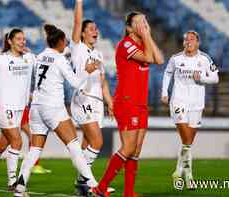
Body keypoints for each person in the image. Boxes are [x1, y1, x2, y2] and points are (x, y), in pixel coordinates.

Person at [13, 24, 99, 197]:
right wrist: (87, 70)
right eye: (65, 41)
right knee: (74, 145)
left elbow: (63, 52)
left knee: (35, 149)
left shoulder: (40, 56)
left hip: (36, 108)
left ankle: (20, 185)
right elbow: (75, 82)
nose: (66, 44)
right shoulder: (59, 60)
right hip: (53, 107)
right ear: (59, 42)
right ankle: (93, 185)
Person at [91, 12, 164, 197]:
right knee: (128, 147)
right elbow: (148, 58)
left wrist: (148, 35)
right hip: (126, 101)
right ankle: (101, 188)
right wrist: (146, 35)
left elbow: (160, 59)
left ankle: (129, 193)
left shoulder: (142, 42)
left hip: (140, 103)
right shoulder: (126, 45)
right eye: (139, 22)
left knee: (136, 150)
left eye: (145, 21)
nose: (143, 25)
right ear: (129, 28)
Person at [161, 30, 219, 189]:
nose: (188, 42)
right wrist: (164, 92)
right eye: (186, 39)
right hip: (178, 101)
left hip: (196, 104)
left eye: (191, 39)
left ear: (198, 42)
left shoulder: (205, 59)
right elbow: (167, 74)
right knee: (186, 138)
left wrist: (202, 78)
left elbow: (215, 77)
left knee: (187, 143)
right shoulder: (176, 59)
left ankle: (182, 171)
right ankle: (188, 175)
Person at [70, 1, 114, 195]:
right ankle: (88, 181)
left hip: (96, 102)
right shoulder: (78, 48)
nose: (95, 31)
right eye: (91, 28)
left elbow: (103, 81)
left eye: (96, 28)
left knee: (88, 143)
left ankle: (82, 184)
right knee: (98, 142)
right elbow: (77, 20)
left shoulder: (98, 54)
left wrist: (109, 102)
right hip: (83, 99)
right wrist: (79, 2)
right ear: (82, 33)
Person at [0, 28, 35, 191]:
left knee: (3, 143)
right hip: (4, 107)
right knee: (17, 141)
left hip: (21, 108)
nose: (23, 42)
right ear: (10, 41)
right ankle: (12, 181)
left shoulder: (29, 58)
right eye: (19, 39)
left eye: (24, 39)